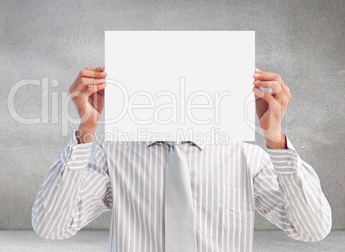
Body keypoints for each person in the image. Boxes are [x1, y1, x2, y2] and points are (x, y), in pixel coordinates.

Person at [31, 65, 332, 251]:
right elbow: (51, 227)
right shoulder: (113, 156)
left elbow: (312, 229)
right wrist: (85, 130)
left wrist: (276, 139)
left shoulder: (245, 157)